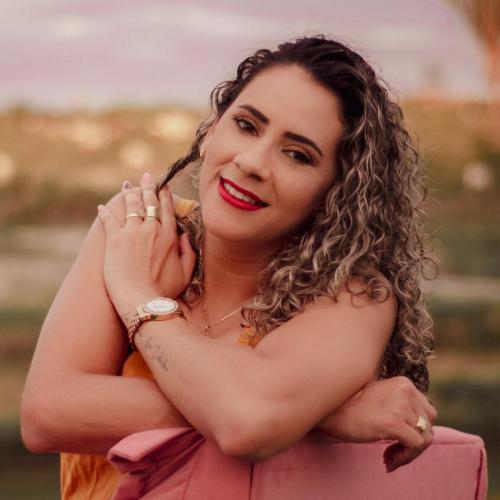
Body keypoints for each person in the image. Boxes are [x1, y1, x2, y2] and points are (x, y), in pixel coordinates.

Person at [21, 34, 437, 499]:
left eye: (297, 154)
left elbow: (247, 422)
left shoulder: (353, 296)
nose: (253, 162)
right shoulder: (139, 228)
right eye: (246, 125)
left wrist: (139, 296)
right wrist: (318, 415)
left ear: (336, 194)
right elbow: (46, 413)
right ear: (212, 129)